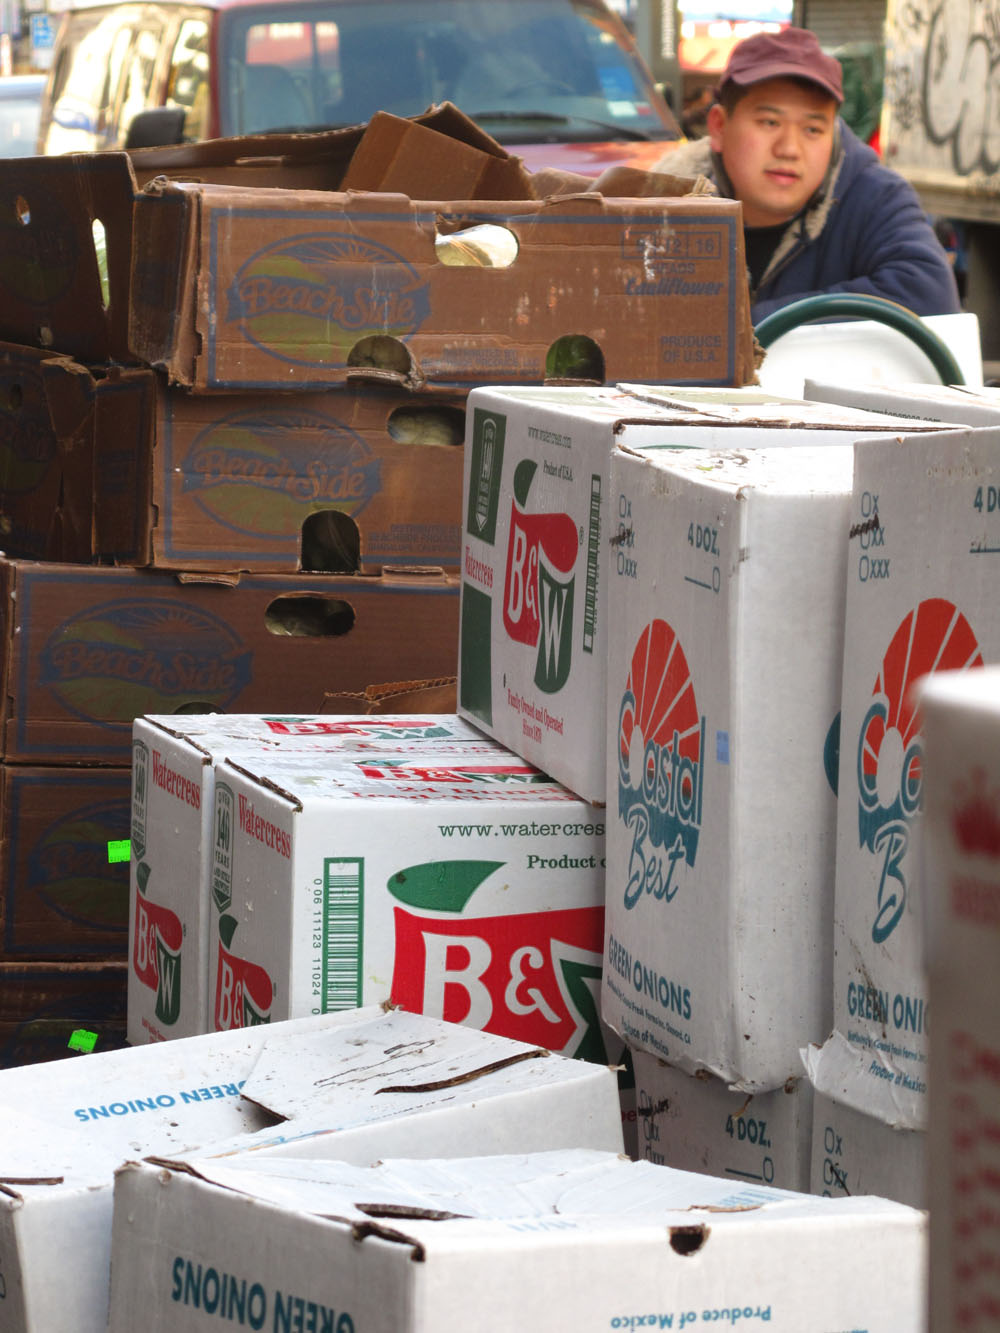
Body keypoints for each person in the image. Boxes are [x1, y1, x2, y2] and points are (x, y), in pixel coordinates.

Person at [656, 26, 961, 324]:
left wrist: (737, 328)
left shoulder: (875, 196)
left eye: (813, 129)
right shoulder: (660, 204)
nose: (789, 149)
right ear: (719, 127)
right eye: (769, 122)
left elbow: (930, 298)